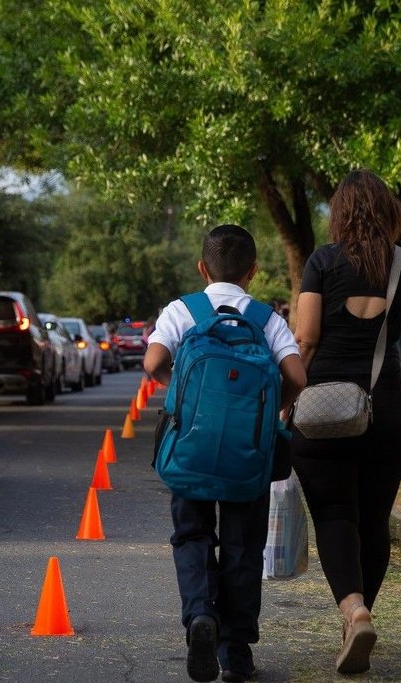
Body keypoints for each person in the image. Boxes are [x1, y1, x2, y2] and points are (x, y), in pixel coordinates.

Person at [291, 169, 401, 675]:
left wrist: (282, 399)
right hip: (386, 415)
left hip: (322, 412)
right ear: (389, 212)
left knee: (335, 515)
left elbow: (307, 338)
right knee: (373, 520)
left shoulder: (322, 262)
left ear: (341, 213)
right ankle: (361, 616)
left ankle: (353, 609)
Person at [144, 225, 306, 683]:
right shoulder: (266, 318)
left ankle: (200, 616)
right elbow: (296, 375)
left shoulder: (182, 311)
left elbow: (154, 364)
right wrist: (271, 408)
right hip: (248, 454)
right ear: (253, 272)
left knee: (192, 535)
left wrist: (180, 395)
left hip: (190, 449)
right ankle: (236, 653)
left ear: (202, 268)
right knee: (242, 547)